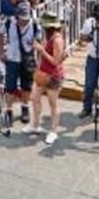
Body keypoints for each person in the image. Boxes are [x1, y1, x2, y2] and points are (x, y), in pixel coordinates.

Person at [25, 13, 66, 144]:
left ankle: (53, 131)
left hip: (54, 75)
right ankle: (35, 125)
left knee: (53, 103)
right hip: (43, 73)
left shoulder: (57, 40)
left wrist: (41, 50)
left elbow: (56, 61)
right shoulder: (48, 37)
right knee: (34, 97)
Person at [0, 0, 37, 127]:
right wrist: (2, 51)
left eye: (26, 19)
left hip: (27, 59)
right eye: (21, 18)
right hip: (12, 59)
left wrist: (39, 61)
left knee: (26, 86)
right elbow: (0, 35)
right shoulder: (9, 22)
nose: (23, 21)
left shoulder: (34, 24)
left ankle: (25, 107)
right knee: (10, 87)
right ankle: (9, 110)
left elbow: (40, 41)